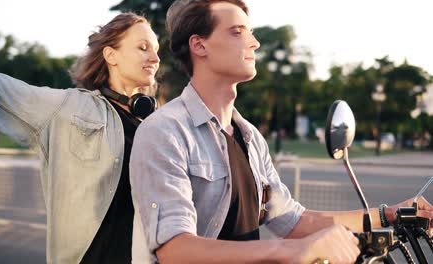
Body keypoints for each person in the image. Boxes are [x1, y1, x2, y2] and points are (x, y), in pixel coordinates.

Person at [129, 1, 433, 263]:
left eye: (251, 32)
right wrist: (290, 251)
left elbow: (295, 221)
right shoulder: (164, 131)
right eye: (237, 32)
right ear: (199, 45)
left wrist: (389, 214)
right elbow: (175, 250)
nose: (254, 43)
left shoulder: (249, 137)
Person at [0, 13, 160, 263]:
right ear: (111, 55)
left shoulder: (154, 125)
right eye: (143, 48)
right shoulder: (68, 108)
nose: (155, 58)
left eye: (156, 50)